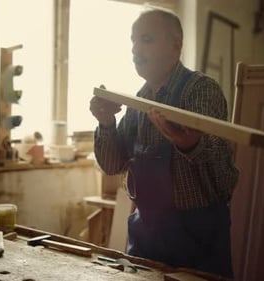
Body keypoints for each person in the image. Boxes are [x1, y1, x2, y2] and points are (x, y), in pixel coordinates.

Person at [89, 8, 239, 278]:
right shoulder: (139, 102)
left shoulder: (201, 90)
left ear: (176, 47)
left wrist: (190, 144)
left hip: (197, 240)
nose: (135, 49)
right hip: (147, 238)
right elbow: (112, 165)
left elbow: (223, 176)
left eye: (146, 40)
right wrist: (106, 123)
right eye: (133, 40)